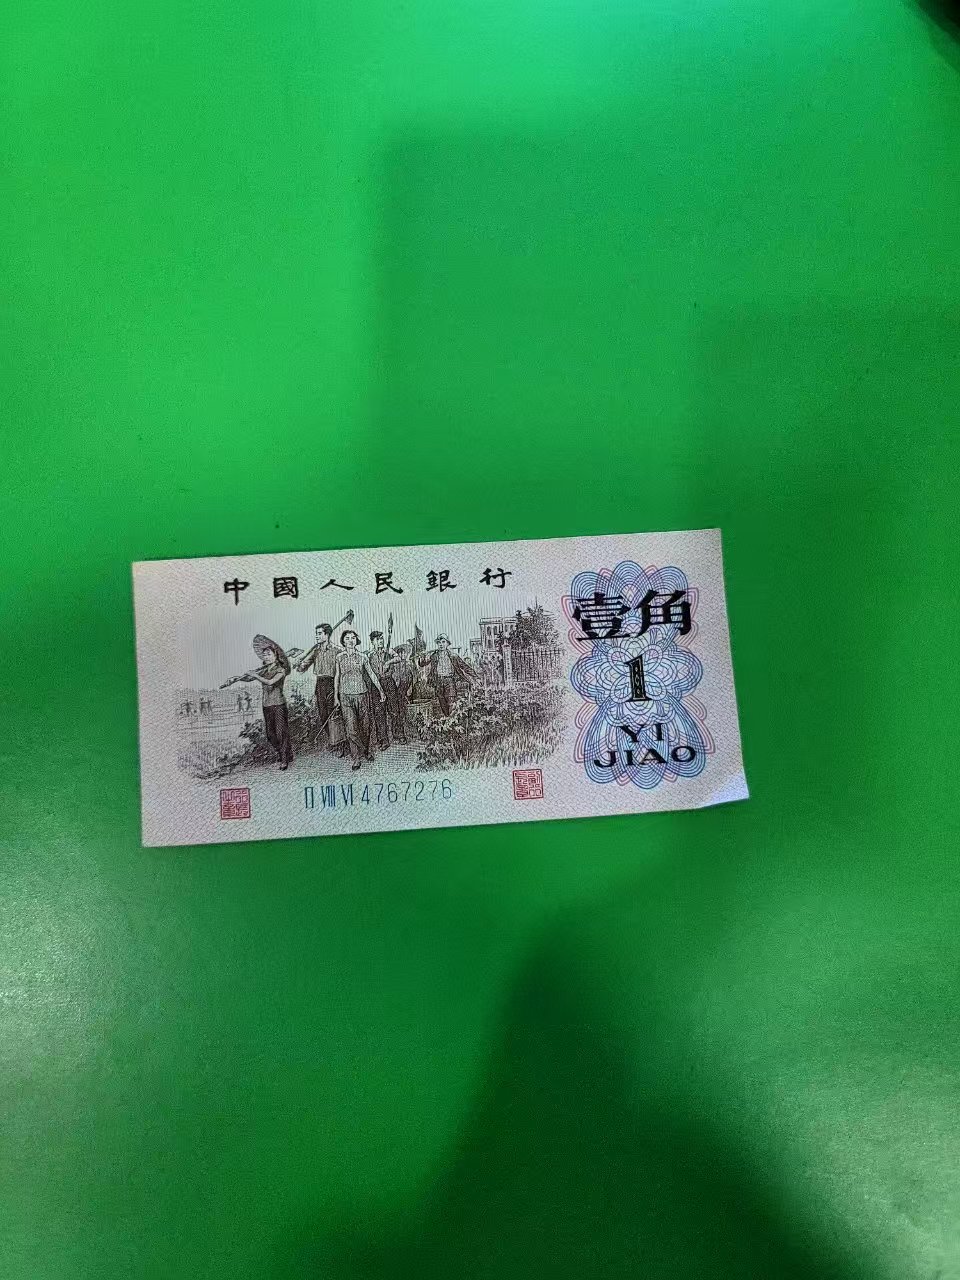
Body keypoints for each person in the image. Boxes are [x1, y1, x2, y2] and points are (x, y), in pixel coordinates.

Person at [237, 637, 293, 770]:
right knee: (270, 735)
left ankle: (284, 759)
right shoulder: (264, 670)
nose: (266, 657)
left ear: (276, 656)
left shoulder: (281, 670)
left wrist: (255, 675)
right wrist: (238, 678)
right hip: (266, 705)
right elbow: (248, 678)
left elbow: (270, 682)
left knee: (281, 733)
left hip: (278, 705)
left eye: (269, 654)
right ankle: (285, 753)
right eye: (264, 655)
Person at [334, 630, 385, 770]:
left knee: (365, 726)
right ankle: (356, 757)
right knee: (351, 729)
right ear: (343, 641)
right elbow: (337, 677)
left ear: (356, 641)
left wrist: (381, 690)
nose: (350, 640)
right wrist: (336, 697)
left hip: (362, 695)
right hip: (345, 697)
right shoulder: (339, 657)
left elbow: (372, 674)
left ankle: (367, 750)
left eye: (353, 638)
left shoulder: (363, 657)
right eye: (347, 638)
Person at [296, 622, 347, 757]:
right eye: (316, 634)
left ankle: (341, 743)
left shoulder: (337, 651)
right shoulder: (316, 651)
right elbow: (302, 668)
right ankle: (333, 740)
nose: (317, 636)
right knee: (323, 716)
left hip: (333, 684)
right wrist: (298, 664)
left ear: (327, 635)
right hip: (319, 685)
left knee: (334, 715)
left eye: (319, 634)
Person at [424, 634, 476, 716]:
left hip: (449, 681)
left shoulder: (453, 656)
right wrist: (422, 658)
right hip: (438, 682)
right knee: (442, 703)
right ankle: (447, 719)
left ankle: (452, 719)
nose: (441, 644)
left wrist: (475, 675)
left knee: (451, 702)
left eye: (443, 642)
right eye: (439, 642)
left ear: (447, 644)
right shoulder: (433, 656)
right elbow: (422, 664)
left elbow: (464, 666)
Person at [364, 630, 395, 749]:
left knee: (394, 709)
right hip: (376, 685)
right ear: (372, 642)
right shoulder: (369, 655)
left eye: (381, 638)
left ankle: (399, 735)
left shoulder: (388, 651)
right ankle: (383, 740)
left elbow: (398, 657)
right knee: (379, 713)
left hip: (388, 682)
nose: (380, 641)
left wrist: (388, 662)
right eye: (377, 639)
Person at [385, 643, 416, 741]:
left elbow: (414, 677)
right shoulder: (394, 664)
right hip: (395, 690)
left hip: (405, 689)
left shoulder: (410, 664)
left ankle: (405, 732)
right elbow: (390, 676)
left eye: (404, 653)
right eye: (400, 653)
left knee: (403, 711)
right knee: (394, 711)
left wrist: (410, 688)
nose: (403, 655)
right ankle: (396, 733)